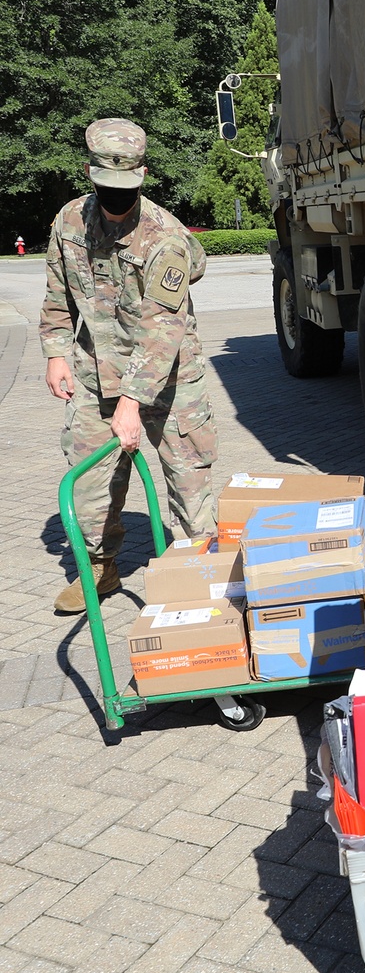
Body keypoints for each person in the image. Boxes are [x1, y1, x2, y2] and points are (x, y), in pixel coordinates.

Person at [40, 119, 219, 612]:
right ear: (88, 172)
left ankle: (201, 575)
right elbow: (58, 296)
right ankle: (99, 568)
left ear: (142, 173)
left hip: (169, 383)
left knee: (190, 483)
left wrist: (132, 403)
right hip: (98, 375)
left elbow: (162, 331)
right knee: (90, 482)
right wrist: (57, 352)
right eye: (105, 187)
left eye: (127, 188)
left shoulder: (166, 238)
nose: (116, 199)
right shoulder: (69, 222)